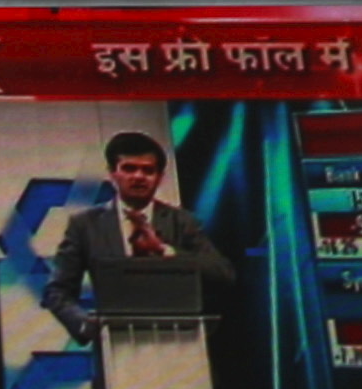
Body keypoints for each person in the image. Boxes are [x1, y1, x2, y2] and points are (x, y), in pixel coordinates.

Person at [38, 129, 239, 336]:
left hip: (179, 342)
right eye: (129, 168)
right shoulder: (85, 225)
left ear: (159, 177)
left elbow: (223, 274)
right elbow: (57, 291)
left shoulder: (182, 222)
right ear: (112, 173)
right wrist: (85, 324)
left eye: (148, 170)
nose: (138, 177)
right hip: (114, 343)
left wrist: (164, 250)